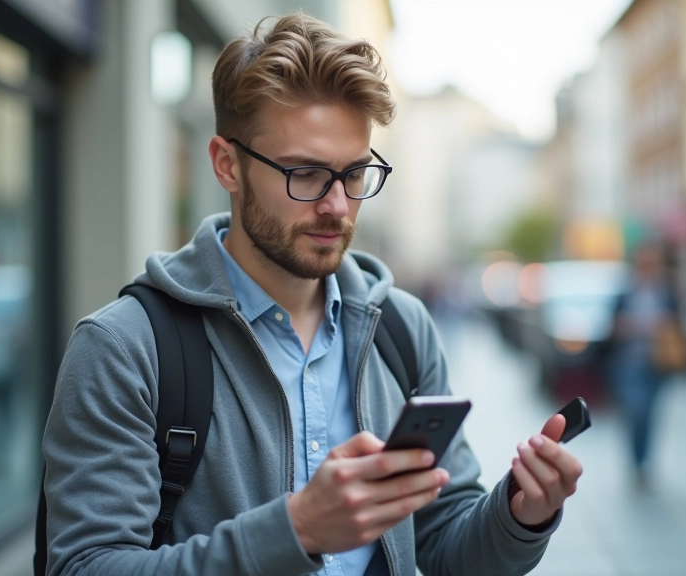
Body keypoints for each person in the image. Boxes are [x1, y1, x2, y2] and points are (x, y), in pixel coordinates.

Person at [41, 13, 583, 576]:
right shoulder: (123, 349)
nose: (337, 206)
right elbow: (85, 567)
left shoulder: (400, 326)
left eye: (354, 173)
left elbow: (444, 541)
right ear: (228, 165)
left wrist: (520, 517)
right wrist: (295, 531)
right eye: (305, 174)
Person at [611, 242, 680, 490]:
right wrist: (635, 326)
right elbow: (614, 327)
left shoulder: (667, 292)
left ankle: (644, 462)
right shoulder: (625, 293)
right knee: (636, 412)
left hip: (658, 365)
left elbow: (676, 326)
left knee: (650, 415)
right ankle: (637, 461)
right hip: (630, 363)